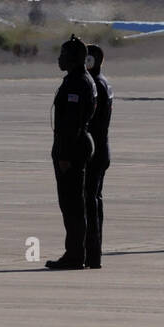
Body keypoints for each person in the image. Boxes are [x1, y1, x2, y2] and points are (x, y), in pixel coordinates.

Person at [48, 35, 96, 269]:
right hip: (76, 145)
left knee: (72, 204)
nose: (59, 59)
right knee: (73, 204)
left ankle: (75, 255)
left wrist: (65, 155)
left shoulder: (77, 83)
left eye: (63, 55)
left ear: (74, 59)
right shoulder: (79, 80)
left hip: (73, 148)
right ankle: (77, 253)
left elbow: (72, 123)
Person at [84, 44, 114, 268]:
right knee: (95, 200)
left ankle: (91, 253)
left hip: (93, 151)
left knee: (89, 202)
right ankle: (94, 252)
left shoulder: (94, 85)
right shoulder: (104, 82)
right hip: (102, 148)